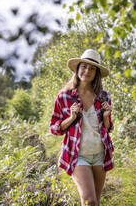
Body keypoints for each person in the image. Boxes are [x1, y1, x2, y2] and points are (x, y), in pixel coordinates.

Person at [49, 49, 114, 206]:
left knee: (95, 202)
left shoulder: (104, 96)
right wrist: (71, 118)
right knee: (89, 201)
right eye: (84, 66)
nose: (87, 71)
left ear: (96, 73)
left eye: (92, 68)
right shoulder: (64, 96)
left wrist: (106, 117)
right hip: (77, 156)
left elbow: (108, 128)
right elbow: (54, 128)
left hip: (100, 154)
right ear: (77, 69)